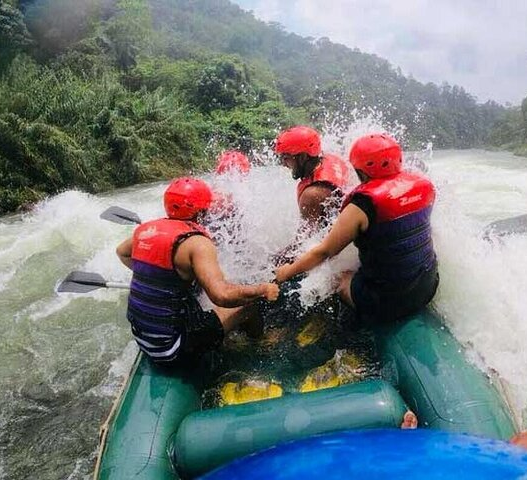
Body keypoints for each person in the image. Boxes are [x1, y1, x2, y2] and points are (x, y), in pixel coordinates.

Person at [275, 133, 438, 323]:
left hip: (388, 302)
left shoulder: (362, 204)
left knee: (337, 277)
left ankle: (348, 329)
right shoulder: (425, 186)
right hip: (429, 285)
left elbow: (324, 252)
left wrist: (286, 272)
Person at [116, 177, 279, 364]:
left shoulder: (145, 230)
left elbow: (122, 252)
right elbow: (222, 296)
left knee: (195, 292)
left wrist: (159, 277)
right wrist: (262, 290)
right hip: (172, 348)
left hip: (142, 338)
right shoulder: (198, 243)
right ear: (201, 211)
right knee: (248, 305)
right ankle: (259, 343)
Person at [275, 125, 351, 229]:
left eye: (285, 158)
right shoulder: (330, 159)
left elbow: (305, 242)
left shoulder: (312, 195)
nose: (283, 164)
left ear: (303, 157)